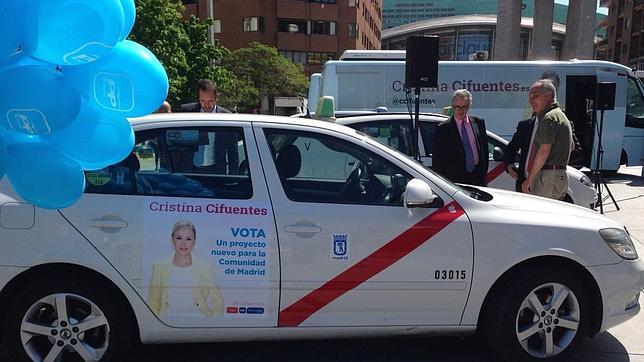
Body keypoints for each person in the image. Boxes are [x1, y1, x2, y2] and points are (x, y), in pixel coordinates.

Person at [147, 220, 224, 318]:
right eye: (179, 238)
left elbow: (218, 301)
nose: (183, 244)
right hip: (167, 326)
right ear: (172, 239)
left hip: (198, 325)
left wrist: (212, 325)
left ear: (194, 241)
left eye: (188, 239)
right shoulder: (159, 266)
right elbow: (153, 301)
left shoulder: (205, 267)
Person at [522, 79, 574, 200]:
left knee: (541, 215)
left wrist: (529, 179)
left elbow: (544, 151)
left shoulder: (549, 118)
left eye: (535, 96)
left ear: (549, 95)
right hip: (557, 176)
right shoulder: (560, 115)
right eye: (530, 97)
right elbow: (571, 146)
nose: (531, 101)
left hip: (548, 178)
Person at [179, 79, 239, 174]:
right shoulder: (187, 112)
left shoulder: (227, 117)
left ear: (216, 98)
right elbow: (178, 145)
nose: (206, 105)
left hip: (215, 172)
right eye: (202, 100)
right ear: (198, 98)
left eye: (210, 101)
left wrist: (234, 179)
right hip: (189, 170)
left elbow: (233, 153)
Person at [432, 89, 489, 186]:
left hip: (477, 178)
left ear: (469, 106)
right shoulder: (443, 128)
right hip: (455, 181)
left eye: (464, 106)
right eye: (457, 107)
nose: (460, 110)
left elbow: (484, 152)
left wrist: (483, 174)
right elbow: (438, 161)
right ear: (452, 106)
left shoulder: (478, 123)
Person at [503, 114, 536, 192]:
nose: (531, 102)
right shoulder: (525, 125)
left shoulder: (556, 123)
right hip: (523, 181)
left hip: (544, 180)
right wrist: (509, 164)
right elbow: (512, 147)